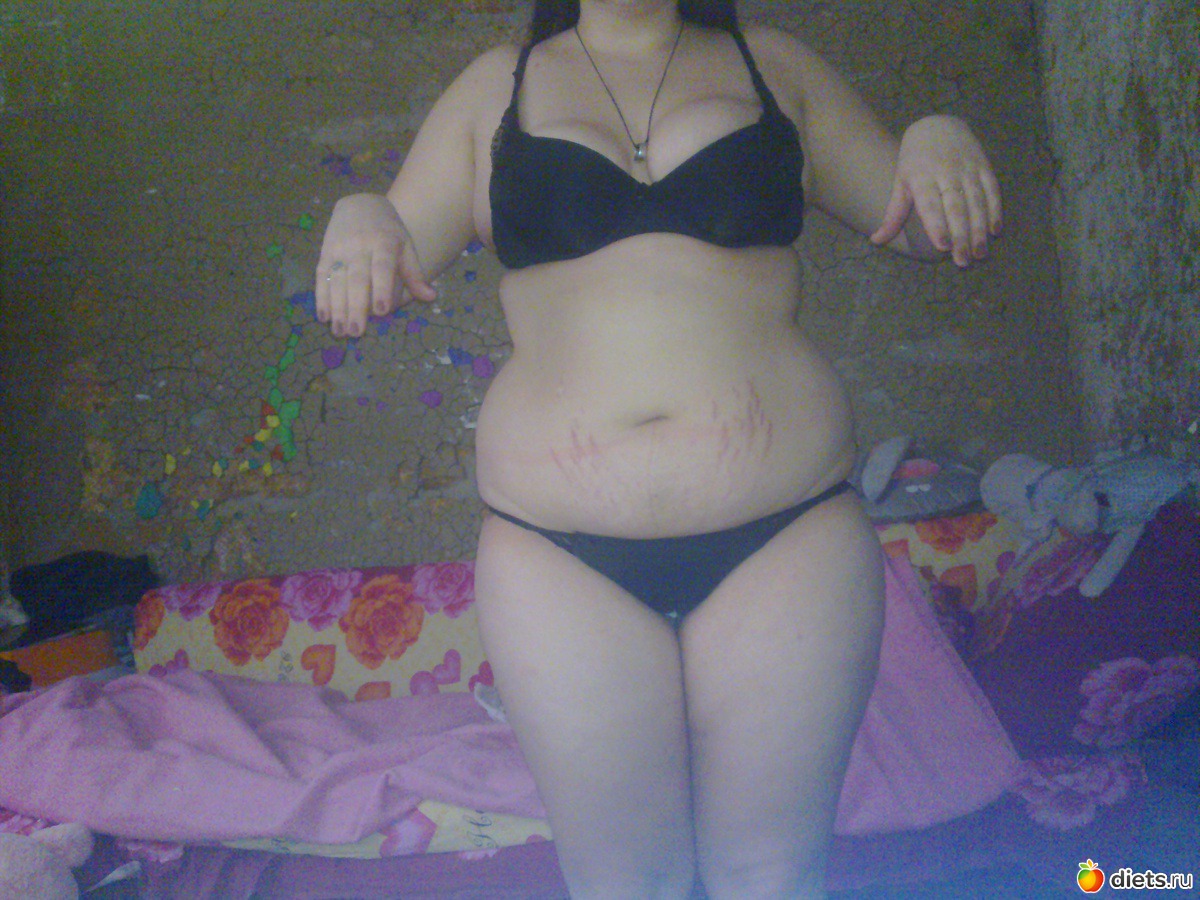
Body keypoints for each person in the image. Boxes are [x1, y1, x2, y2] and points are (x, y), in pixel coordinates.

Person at [315, 0, 1001, 896]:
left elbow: (923, 222)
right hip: (558, 555)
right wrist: (362, 211)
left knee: (773, 876)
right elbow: (390, 250)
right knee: (625, 883)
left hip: (786, 534)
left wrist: (938, 137)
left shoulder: (773, 65)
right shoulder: (494, 88)